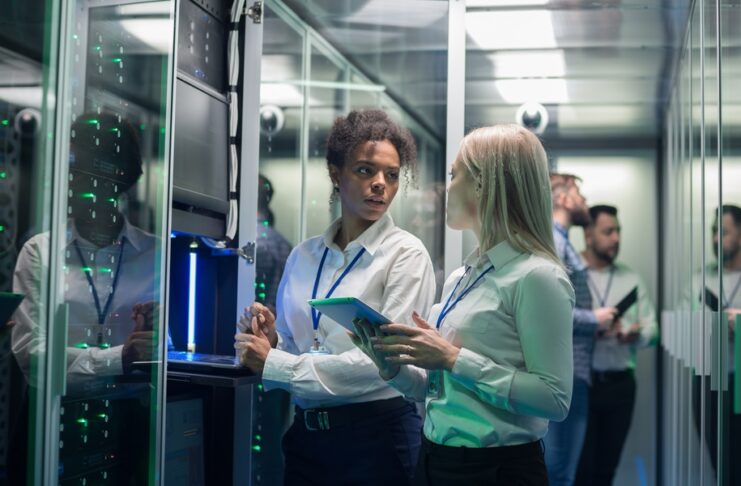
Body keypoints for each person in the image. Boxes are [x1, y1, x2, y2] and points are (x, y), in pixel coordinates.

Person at [353, 124, 575, 486]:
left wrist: (453, 359)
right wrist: (390, 366)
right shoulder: (463, 276)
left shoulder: (538, 277)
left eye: (454, 174)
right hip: (435, 460)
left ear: (484, 185)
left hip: (498, 470)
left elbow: (554, 399)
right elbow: (436, 389)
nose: (446, 187)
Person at [235, 109, 436, 486]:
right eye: (365, 170)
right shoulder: (303, 255)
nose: (380, 184)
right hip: (305, 438)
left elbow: (381, 364)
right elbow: (298, 345)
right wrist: (274, 342)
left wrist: (275, 364)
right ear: (335, 174)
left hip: (376, 440)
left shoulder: (405, 255)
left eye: (391, 175)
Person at [10, 112, 161, 483]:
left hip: (132, 426)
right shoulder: (39, 252)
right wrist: (119, 357)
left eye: (92, 173)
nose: (78, 184)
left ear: (120, 180)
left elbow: (172, 354)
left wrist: (159, 339)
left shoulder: (156, 256)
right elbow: (33, 356)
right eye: (73, 170)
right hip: (51, 421)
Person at [574, 204, 658, 486]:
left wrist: (635, 334)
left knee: (605, 470)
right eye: (608, 232)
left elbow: (653, 329)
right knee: (577, 469)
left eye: (618, 231)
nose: (616, 239)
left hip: (619, 386)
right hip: (579, 386)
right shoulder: (572, 274)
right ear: (588, 235)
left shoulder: (630, 279)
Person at [544, 173, 617, 486]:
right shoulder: (555, 242)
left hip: (573, 370)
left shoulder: (560, 240)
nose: (585, 201)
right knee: (559, 471)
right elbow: (550, 312)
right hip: (566, 372)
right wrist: (594, 320)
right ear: (562, 199)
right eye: (579, 194)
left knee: (562, 470)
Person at [692, 204, 741, 485]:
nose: (714, 239)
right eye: (713, 231)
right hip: (710, 380)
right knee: (718, 465)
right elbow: (681, 321)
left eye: (722, 232)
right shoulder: (701, 278)